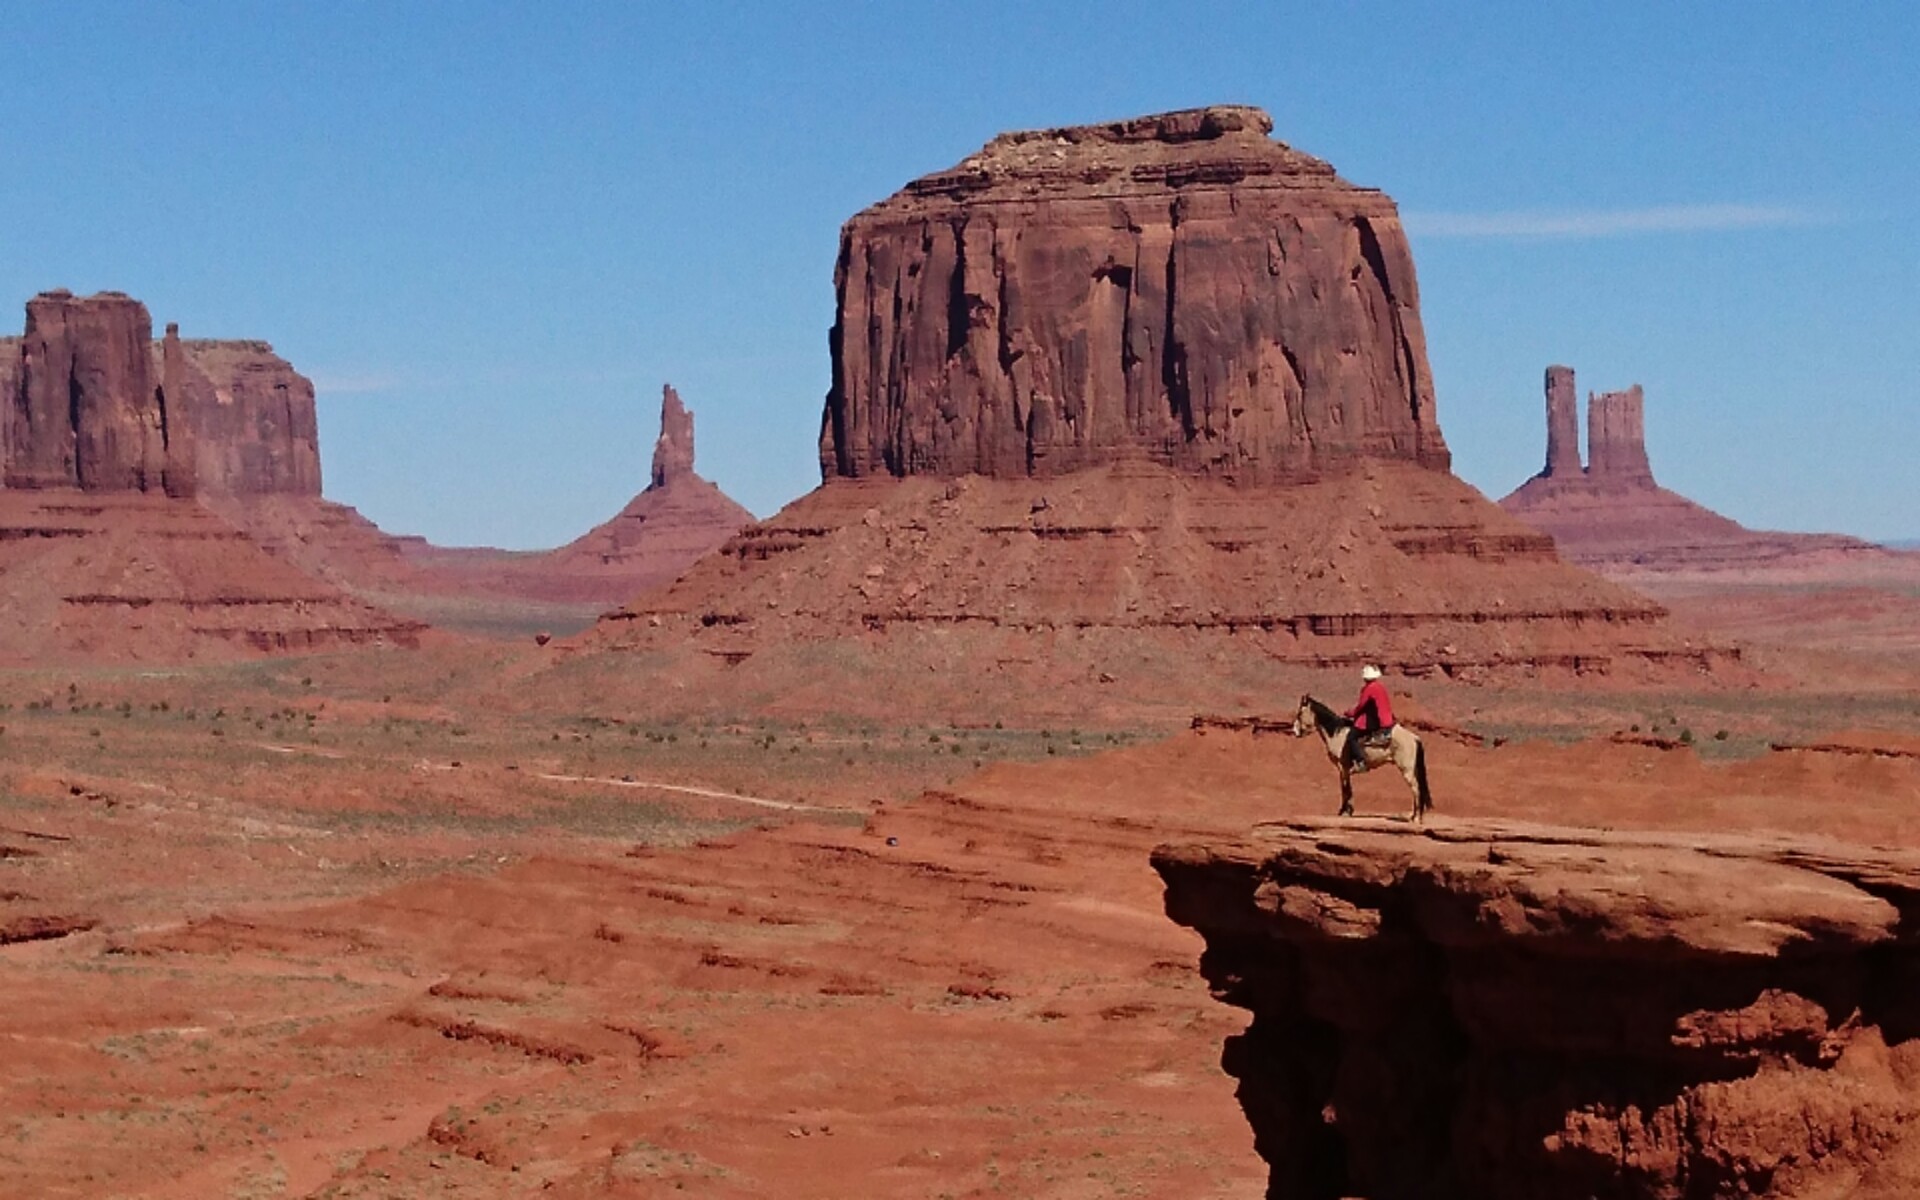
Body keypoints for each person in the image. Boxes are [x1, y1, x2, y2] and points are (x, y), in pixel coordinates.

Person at [1343, 664, 1395, 769]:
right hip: (1387, 719)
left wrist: (1350, 713)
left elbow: (1361, 706)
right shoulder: (1380, 687)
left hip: (1375, 721)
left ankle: (1361, 761)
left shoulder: (1369, 689)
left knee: (1351, 737)